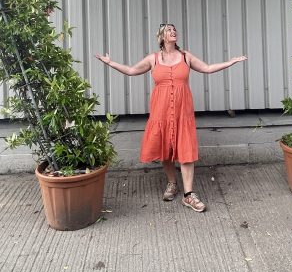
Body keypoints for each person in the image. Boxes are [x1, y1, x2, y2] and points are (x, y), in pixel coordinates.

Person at [95, 23, 247, 212]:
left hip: (183, 112)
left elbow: (207, 68)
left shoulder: (186, 56)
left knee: (185, 150)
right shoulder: (154, 58)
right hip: (161, 112)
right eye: (168, 30)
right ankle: (172, 183)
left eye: (174, 29)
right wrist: (110, 63)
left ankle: (189, 194)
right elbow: (132, 70)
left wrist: (229, 62)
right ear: (161, 37)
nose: (173, 32)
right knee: (165, 149)